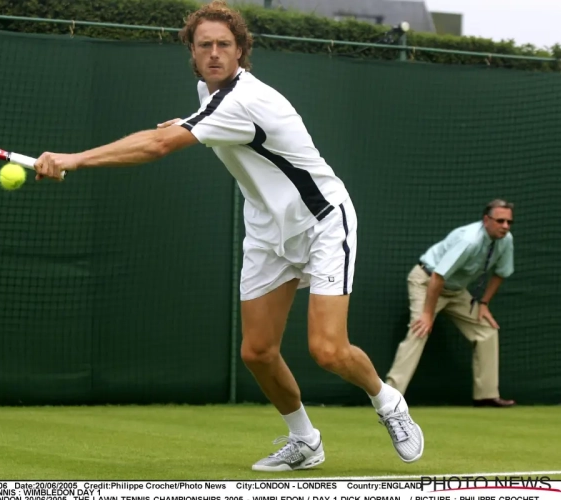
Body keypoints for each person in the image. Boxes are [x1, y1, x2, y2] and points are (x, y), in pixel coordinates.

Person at [34, 0, 424, 470]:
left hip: (322, 221)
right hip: (266, 231)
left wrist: (74, 159)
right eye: (205, 46)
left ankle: (388, 403)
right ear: (193, 54)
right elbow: (193, 125)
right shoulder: (210, 95)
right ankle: (305, 441)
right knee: (257, 352)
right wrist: (186, 123)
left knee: (327, 349)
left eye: (224, 44)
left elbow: (159, 145)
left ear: (241, 51)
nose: (215, 53)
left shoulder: (244, 100)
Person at [385, 199, 516, 408]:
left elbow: (501, 273)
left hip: (455, 290)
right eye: (500, 221)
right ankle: (390, 397)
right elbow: (438, 276)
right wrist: (427, 314)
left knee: (487, 330)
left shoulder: (506, 240)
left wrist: (483, 303)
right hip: (426, 281)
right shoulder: (470, 240)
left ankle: (486, 396)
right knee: (419, 330)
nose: (505, 226)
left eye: (509, 222)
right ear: (486, 220)